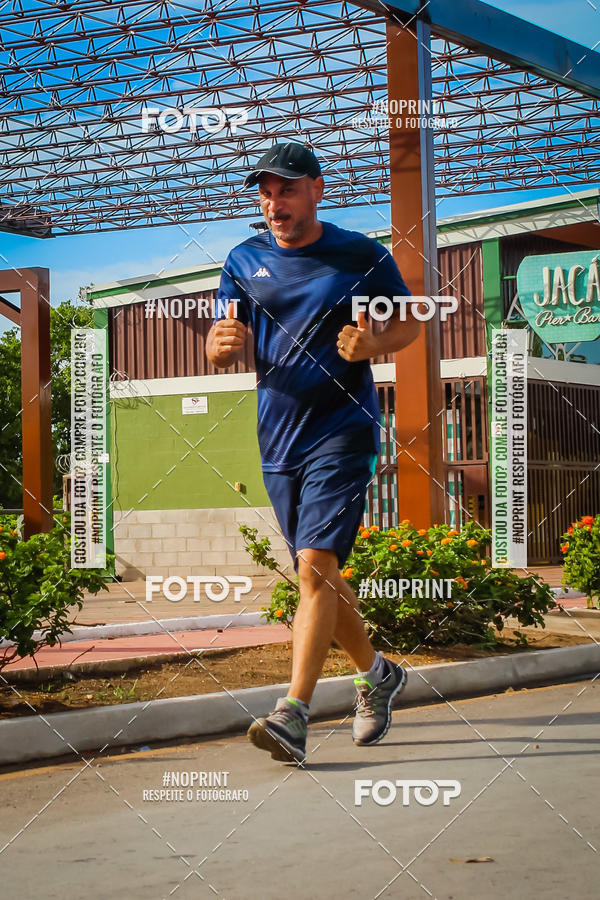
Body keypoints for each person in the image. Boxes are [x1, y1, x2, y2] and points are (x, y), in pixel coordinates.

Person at [206, 142, 420, 764]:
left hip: (342, 429)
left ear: (317, 190)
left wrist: (374, 339)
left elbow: (409, 322)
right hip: (277, 435)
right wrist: (221, 346)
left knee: (313, 567)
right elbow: (227, 342)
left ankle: (292, 714)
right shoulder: (243, 260)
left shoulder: (359, 254)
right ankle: (379, 675)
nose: (275, 203)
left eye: (288, 190)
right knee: (319, 574)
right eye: (267, 192)